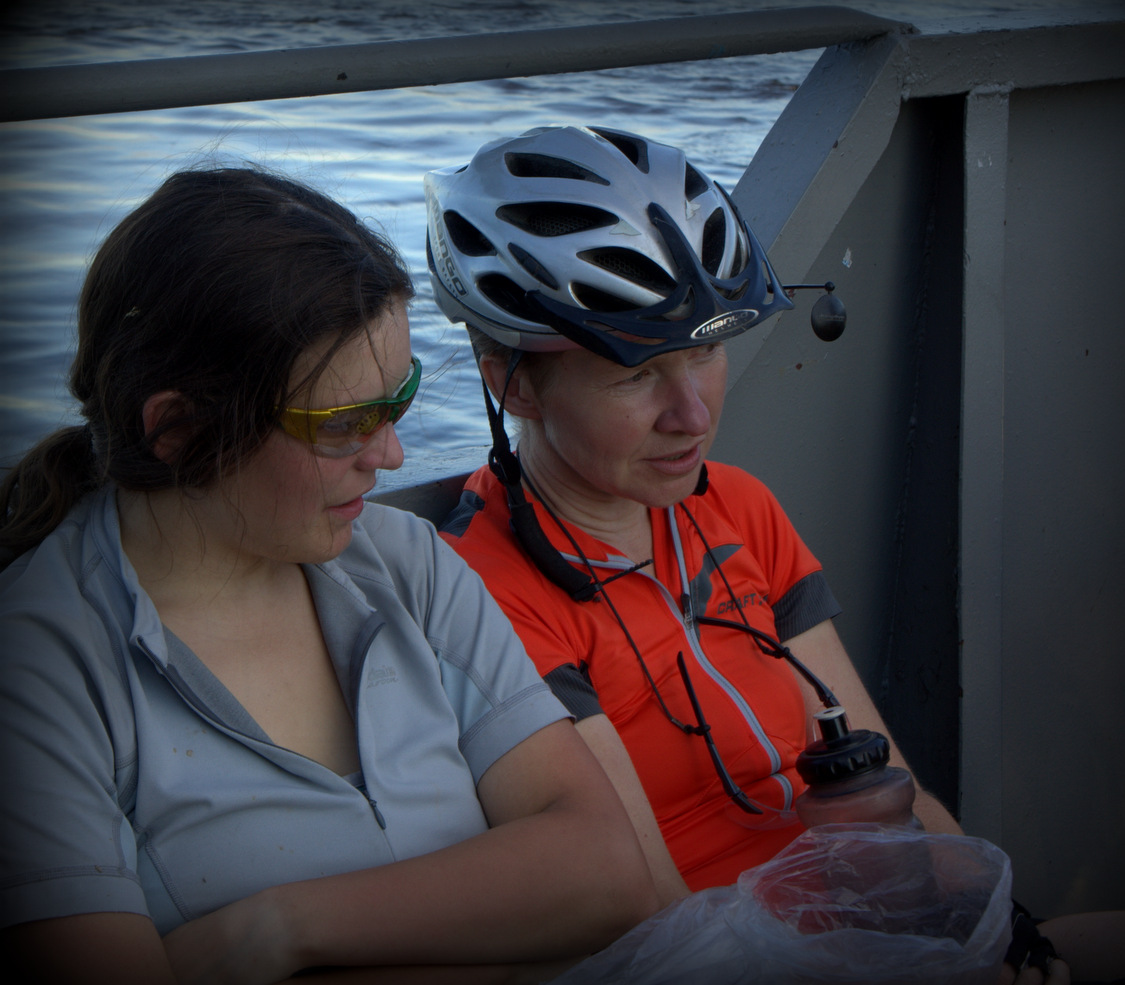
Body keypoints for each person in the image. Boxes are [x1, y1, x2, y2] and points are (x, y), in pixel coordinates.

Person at [0, 164, 658, 985]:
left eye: (399, 401)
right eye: (344, 423)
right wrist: (511, 925)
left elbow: (606, 872)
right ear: (177, 430)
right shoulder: (41, 671)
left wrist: (277, 929)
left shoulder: (408, 563)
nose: (392, 455)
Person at [426, 124, 963, 902]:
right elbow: (651, 907)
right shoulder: (485, 588)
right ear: (514, 386)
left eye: (706, 351)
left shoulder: (738, 504)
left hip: (881, 921)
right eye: (636, 373)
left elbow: (894, 791)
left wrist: (1002, 921)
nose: (693, 416)